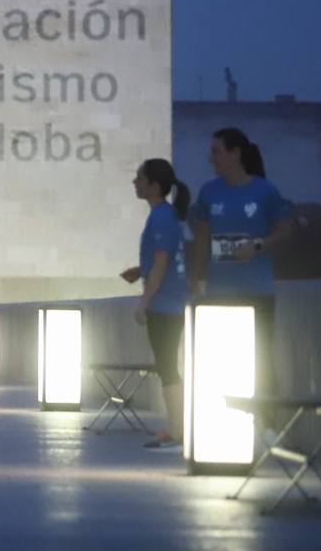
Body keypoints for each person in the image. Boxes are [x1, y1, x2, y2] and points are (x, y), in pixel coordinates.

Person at [187, 127, 292, 428]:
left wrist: (258, 245)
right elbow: (202, 238)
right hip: (219, 292)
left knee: (260, 357)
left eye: (216, 151)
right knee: (220, 359)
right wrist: (198, 281)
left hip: (256, 289)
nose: (211, 158)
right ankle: (224, 422)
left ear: (235, 153)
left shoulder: (264, 191)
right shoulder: (209, 192)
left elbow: (285, 228)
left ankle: (268, 424)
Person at [120, 158, 190, 450]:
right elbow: (160, 260)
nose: (135, 182)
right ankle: (178, 426)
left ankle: (179, 429)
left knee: (167, 365)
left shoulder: (162, 217)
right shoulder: (163, 216)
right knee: (166, 364)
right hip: (167, 302)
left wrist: (143, 301)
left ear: (154, 184)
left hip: (166, 305)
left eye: (139, 178)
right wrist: (140, 270)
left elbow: (162, 263)